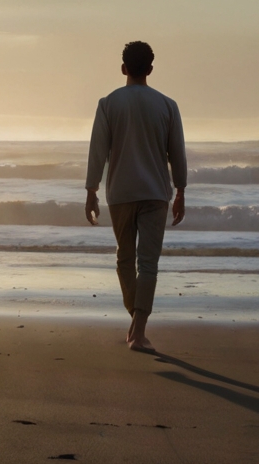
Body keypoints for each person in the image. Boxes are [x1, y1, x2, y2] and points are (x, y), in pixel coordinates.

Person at [85, 41, 187, 353]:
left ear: (123, 69)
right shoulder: (167, 105)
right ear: (151, 70)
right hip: (156, 193)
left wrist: (91, 190)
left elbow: (98, 151)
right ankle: (138, 328)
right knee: (149, 263)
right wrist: (181, 190)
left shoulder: (108, 103)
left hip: (121, 193)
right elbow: (177, 154)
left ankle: (136, 324)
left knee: (125, 260)